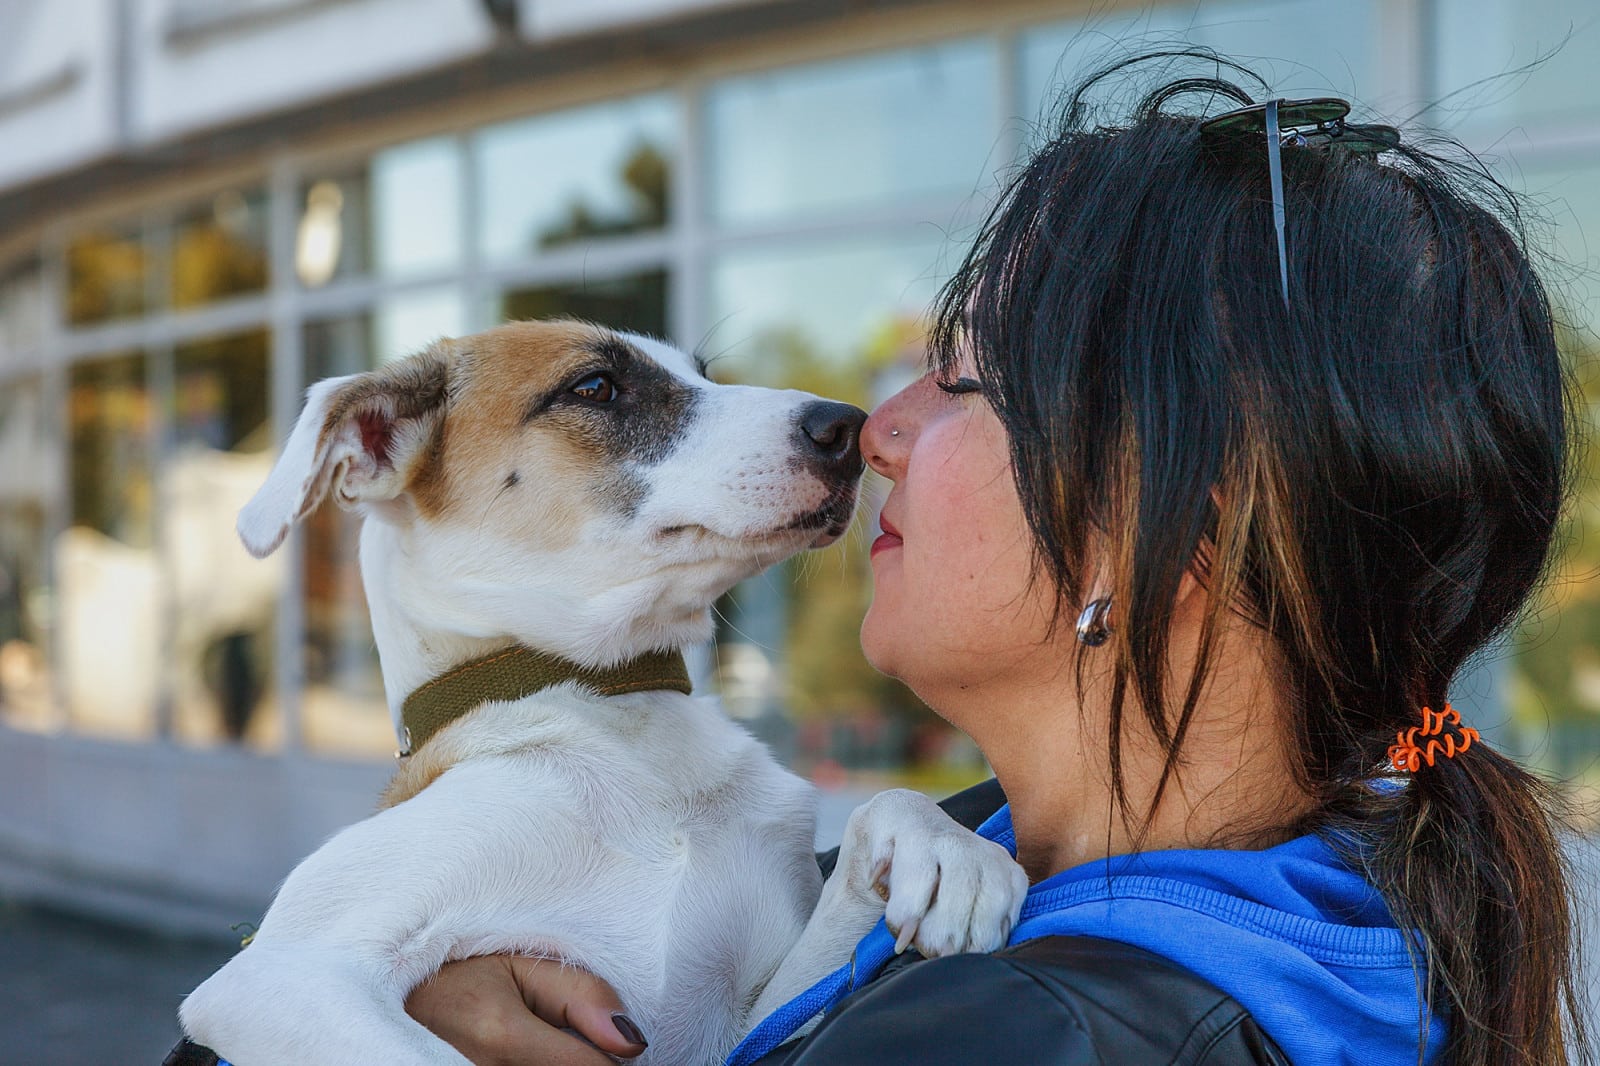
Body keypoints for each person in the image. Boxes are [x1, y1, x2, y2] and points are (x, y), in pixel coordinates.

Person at [405, 54, 1590, 1066]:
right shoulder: (1351, 897)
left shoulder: (1014, 1032)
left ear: (1197, 529)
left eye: (962, 377)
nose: (878, 432)